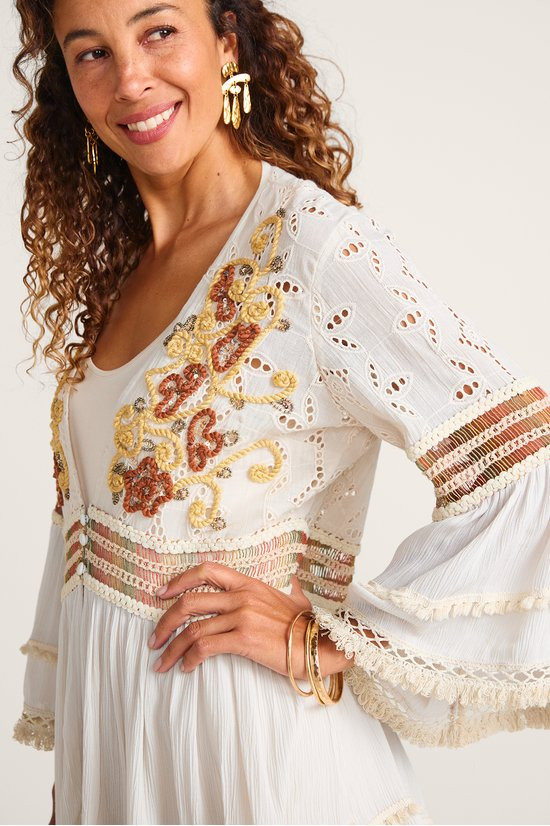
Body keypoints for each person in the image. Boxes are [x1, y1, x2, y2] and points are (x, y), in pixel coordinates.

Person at [12, 0, 550, 823]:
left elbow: (530, 463)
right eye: (91, 52)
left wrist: (332, 640)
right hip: (125, 771)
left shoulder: (311, 248)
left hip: (257, 766)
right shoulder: (129, 269)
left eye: (159, 31)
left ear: (225, 43)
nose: (130, 79)